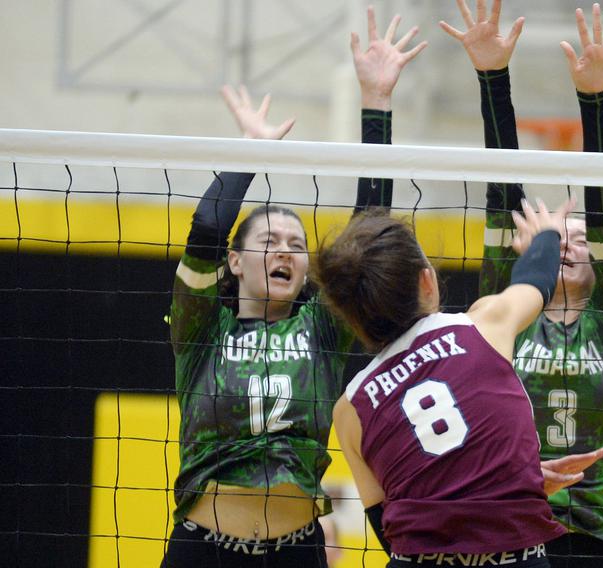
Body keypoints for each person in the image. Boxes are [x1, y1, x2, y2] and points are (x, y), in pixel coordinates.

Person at [162, 9, 427, 567]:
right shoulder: (202, 328)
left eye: (295, 243)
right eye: (268, 240)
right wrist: (250, 153)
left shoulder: (322, 328)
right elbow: (207, 229)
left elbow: (370, 227)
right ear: (234, 262)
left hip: (296, 550)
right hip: (204, 550)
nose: (284, 249)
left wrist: (376, 102)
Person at [441, 2, 603, 567]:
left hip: (597, 543)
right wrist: (491, 76)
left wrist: (595, 100)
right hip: (507, 535)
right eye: (561, 239)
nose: (573, 245)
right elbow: (503, 197)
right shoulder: (503, 315)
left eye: (583, 240)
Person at [317, 193, 592, 567]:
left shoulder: (350, 410)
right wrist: (544, 235)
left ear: (352, 318)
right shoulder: (481, 325)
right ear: (426, 281)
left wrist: (485, 487)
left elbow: (388, 528)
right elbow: (537, 280)